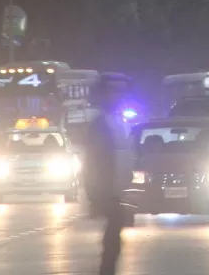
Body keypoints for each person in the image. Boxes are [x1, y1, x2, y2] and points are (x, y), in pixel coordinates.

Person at [82, 79, 129, 275]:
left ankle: (108, 269)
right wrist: (94, 194)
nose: (116, 98)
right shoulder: (99, 125)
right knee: (113, 236)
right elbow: (93, 160)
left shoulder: (116, 122)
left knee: (114, 235)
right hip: (105, 190)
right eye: (112, 94)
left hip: (115, 189)